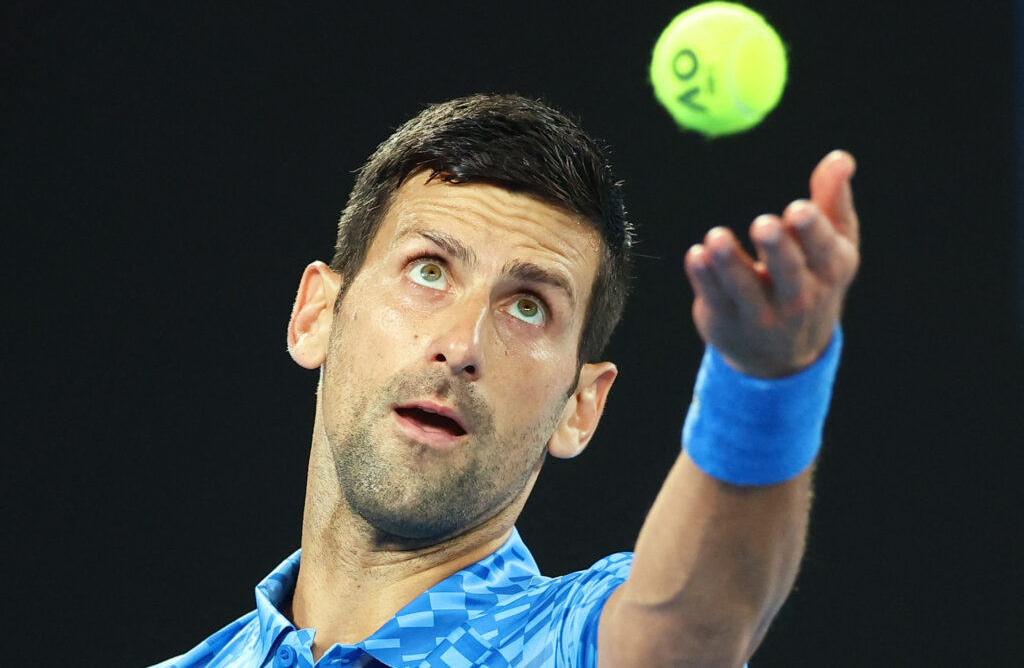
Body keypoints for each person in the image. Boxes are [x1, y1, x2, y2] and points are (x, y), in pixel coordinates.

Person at [152, 94, 859, 667]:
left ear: (580, 407)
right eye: (429, 270)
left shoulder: (575, 645)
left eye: (529, 307)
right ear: (317, 315)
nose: (461, 345)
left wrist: (765, 386)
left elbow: (687, 627)